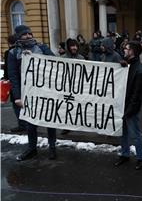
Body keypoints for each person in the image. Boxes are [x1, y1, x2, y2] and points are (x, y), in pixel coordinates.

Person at [7, 25, 57, 161]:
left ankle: (52, 147)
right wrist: (17, 97)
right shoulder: (13, 53)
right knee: (30, 123)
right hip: (27, 93)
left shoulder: (41, 48)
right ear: (18, 36)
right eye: (24, 34)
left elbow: (56, 64)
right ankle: (32, 148)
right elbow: (13, 76)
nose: (28, 36)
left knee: (49, 120)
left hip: (45, 91)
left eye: (30, 33)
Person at [113, 41, 142, 170]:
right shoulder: (130, 66)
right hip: (124, 106)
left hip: (130, 108)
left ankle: (140, 158)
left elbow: (137, 96)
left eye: (126, 49)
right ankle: (125, 154)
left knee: (135, 133)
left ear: (132, 51)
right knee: (124, 133)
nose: (124, 51)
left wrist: (129, 110)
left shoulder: (139, 71)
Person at [60, 38, 85, 135]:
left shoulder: (81, 58)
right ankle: (67, 126)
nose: (74, 48)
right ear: (68, 47)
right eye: (72, 46)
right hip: (66, 87)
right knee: (66, 107)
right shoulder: (63, 58)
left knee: (78, 106)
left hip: (78, 87)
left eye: (75, 46)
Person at [3, 34, 27, 133]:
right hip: (24, 81)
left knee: (16, 102)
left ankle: (22, 124)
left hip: (14, 81)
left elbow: (8, 68)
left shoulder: (9, 52)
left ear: (9, 42)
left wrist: (6, 77)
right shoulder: (23, 51)